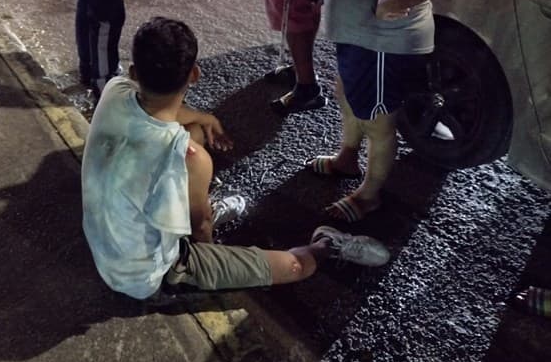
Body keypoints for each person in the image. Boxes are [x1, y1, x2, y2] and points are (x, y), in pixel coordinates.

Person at [81, 17, 390, 300]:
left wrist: (205, 118)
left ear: (134, 72)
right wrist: (216, 263)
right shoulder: (190, 159)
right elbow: (200, 229)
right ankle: (327, 244)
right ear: (195, 74)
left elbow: (157, 110)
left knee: (194, 135)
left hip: (105, 243)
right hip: (143, 277)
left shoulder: (115, 89)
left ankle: (187, 205)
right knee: (296, 267)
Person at [304, 0, 457, 223]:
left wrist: (391, 2)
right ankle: (347, 158)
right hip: (363, 35)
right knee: (348, 93)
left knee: (378, 120)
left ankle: (369, 196)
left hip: (381, 40)